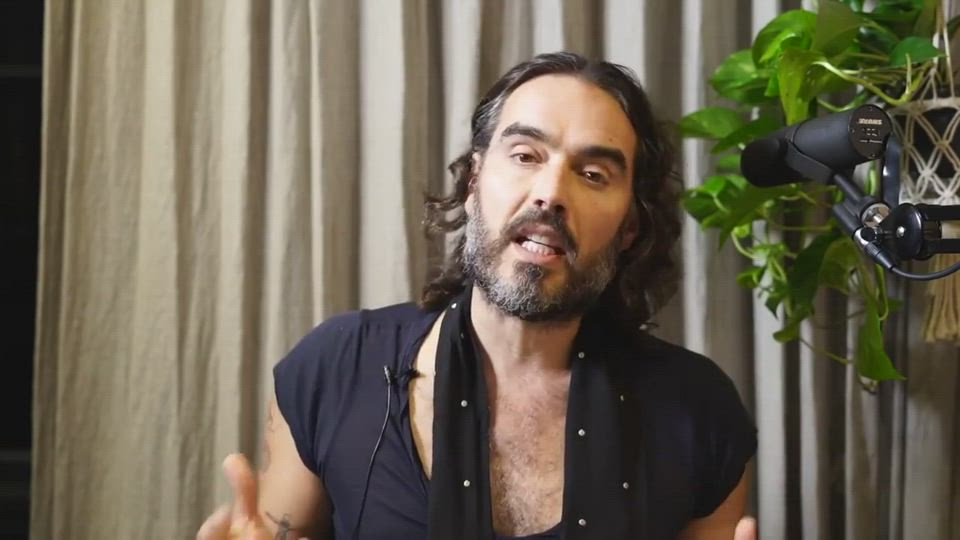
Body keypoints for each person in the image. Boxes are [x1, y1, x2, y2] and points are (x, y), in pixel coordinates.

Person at [197, 51, 758, 540]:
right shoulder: (337, 367)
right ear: (473, 182)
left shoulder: (698, 410)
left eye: (592, 174)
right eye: (525, 155)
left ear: (630, 227)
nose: (550, 193)